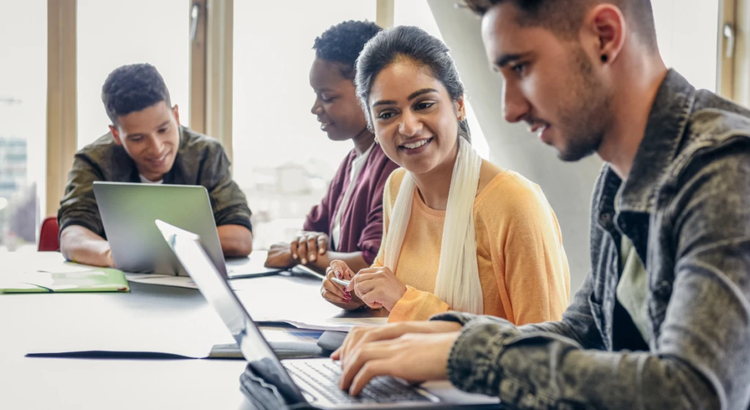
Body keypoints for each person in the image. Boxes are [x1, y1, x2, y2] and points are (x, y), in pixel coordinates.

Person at [333, 1, 750, 408]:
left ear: (604, 36)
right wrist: (441, 335)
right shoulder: (618, 177)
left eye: (522, 69)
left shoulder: (726, 171)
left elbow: (694, 392)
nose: (510, 109)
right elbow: (584, 334)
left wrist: (470, 354)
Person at [323, 25, 570, 324]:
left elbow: (544, 351)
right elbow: (388, 302)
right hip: (405, 365)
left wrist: (405, 300)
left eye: (424, 104)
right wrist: (353, 291)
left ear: (459, 105)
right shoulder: (398, 188)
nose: (409, 127)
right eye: (388, 114)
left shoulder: (515, 204)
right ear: (373, 127)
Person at [59, 63, 253, 268]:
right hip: (119, 289)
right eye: (137, 138)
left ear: (176, 116)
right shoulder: (94, 161)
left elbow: (240, 237)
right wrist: (114, 255)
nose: (157, 148)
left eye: (163, 129)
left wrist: (151, 248)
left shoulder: (206, 155)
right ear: (116, 134)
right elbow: (72, 236)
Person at [265, 21, 399, 275]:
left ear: (369, 91)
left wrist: (297, 255)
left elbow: (372, 263)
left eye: (327, 97)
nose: (316, 108)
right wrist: (306, 247)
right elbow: (312, 230)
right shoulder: (351, 162)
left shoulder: (394, 165)